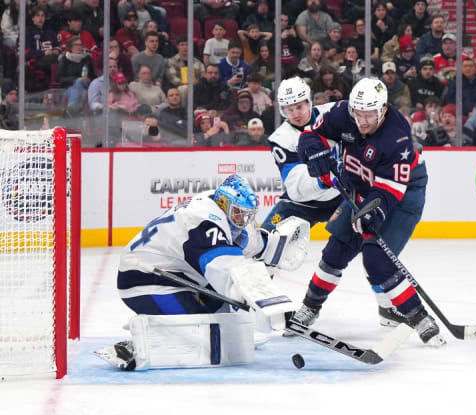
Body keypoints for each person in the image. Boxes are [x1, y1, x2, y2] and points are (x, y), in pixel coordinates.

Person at [94, 175, 308, 371]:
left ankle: (158, 323)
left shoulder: (218, 203)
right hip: (144, 281)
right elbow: (227, 268)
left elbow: (248, 240)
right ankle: (140, 340)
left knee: (224, 320)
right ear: (224, 204)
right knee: (206, 335)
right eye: (238, 214)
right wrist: (269, 302)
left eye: (246, 216)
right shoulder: (204, 221)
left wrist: (269, 246)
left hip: (177, 277)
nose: (242, 220)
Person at [294, 77, 445, 346]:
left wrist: (372, 213)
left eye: (369, 115)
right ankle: (309, 308)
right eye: (358, 113)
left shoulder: (397, 135)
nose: (362, 121)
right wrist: (315, 154)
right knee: (334, 252)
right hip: (361, 185)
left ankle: (420, 317)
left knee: (377, 260)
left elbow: (389, 191)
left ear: (383, 110)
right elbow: (310, 135)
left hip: (402, 192)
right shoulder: (343, 113)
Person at [261, 76, 341, 234]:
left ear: (309, 102)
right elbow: (294, 185)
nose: (296, 114)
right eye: (289, 110)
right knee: (266, 239)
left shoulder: (333, 114)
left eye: (299, 107)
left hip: (343, 197)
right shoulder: (281, 138)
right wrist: (323, 179)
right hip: (305, 204)